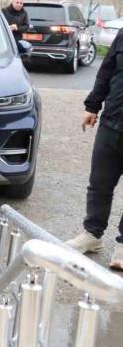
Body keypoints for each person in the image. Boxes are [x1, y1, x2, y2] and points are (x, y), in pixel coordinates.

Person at [66, 25, 123, 270]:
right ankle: (92, 234)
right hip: (112, 121)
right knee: (100, 183)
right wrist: (92, 106)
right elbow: (106, 70)